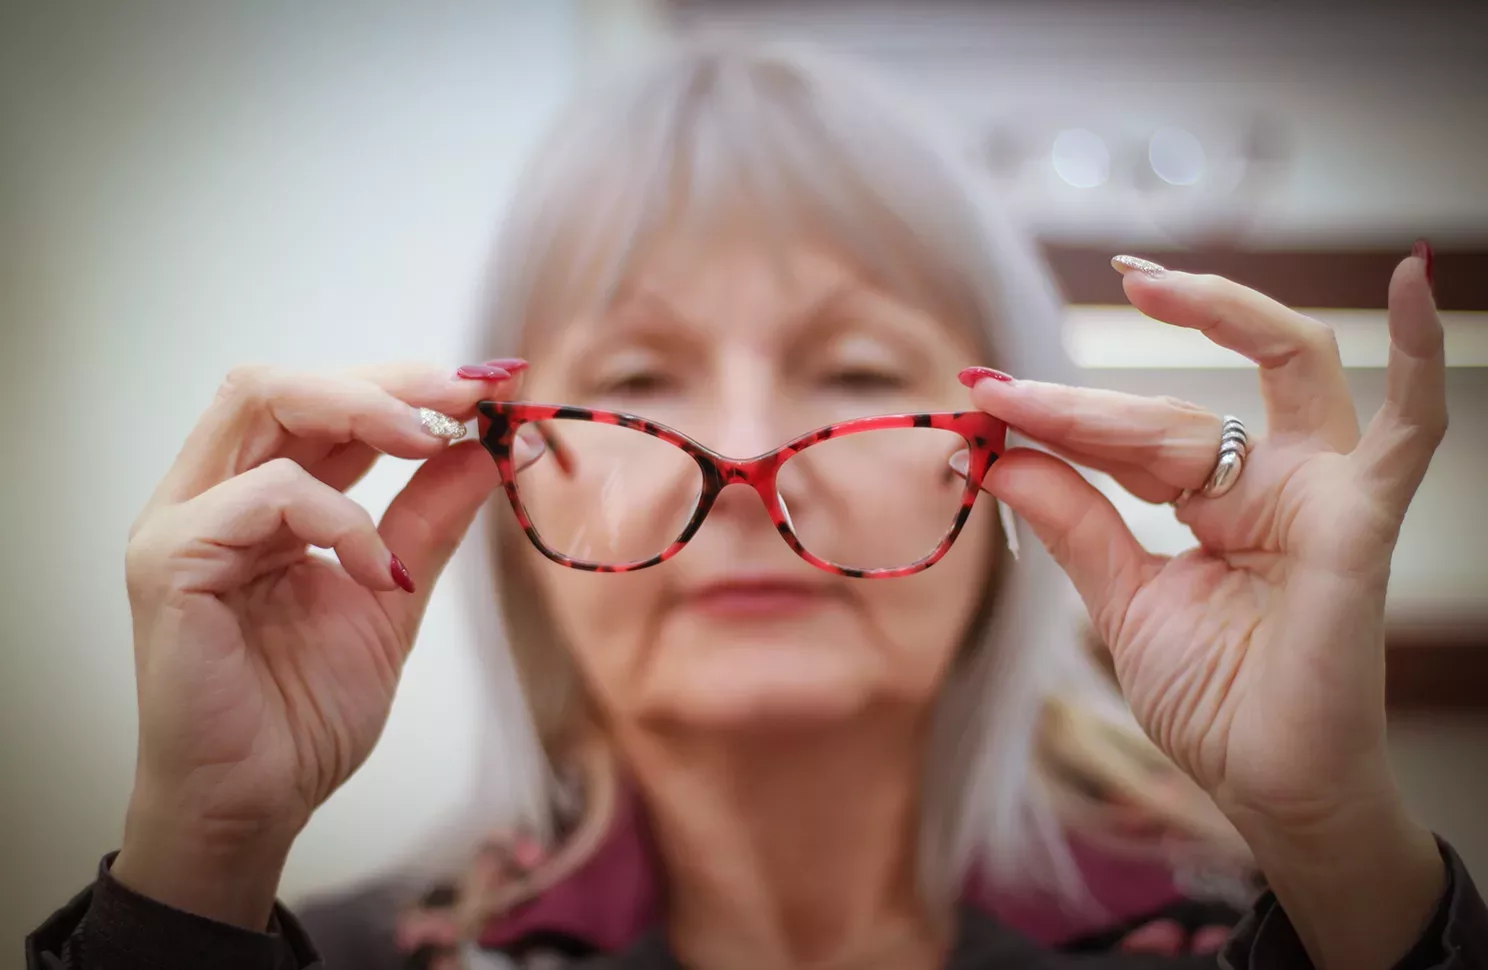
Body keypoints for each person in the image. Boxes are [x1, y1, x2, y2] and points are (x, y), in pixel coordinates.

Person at [26, 40, 1488, 970]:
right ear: (505, 472)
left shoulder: (1280, 929)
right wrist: (197, 861)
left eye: (850, 364)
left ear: (1003, 469)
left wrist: (1339, 847)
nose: (739, 457)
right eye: (641, 372)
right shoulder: (298, 948)